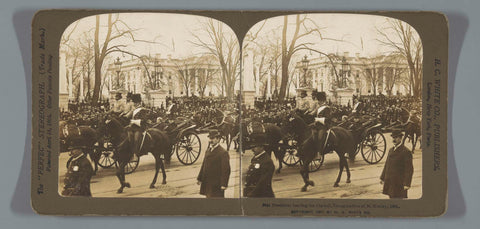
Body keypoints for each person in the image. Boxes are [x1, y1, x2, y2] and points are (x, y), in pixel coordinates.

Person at [380, 130, 414, 199]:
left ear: (401, 138)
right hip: (390, 181)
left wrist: (407, 184)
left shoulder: (406, 151)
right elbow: (387, 165)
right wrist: (382, 177)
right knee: (391, 198)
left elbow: (409, 169)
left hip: (399, 183)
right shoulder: (391, 150)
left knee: (398, 201)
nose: (394, 139)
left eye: (396, 137)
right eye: (393, 137)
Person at [197, 130, 231, 198]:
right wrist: (200, 178)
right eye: (210, 138)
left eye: (212, 138)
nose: (210, 140)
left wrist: (224, 184)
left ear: (218, 139)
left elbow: (226, 170)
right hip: (208, 182)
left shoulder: (223, 152)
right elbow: (204, 165)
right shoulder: (208, 150)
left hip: (217, 183)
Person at [243, 133, 275, 198]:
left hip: (262, 195)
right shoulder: (256, 158)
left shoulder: (266, 161)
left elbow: (263, 182)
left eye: (255, 147)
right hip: (254, 194)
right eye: (252, 147)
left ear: (262, 147)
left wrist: (251, 194)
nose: (252, 149)